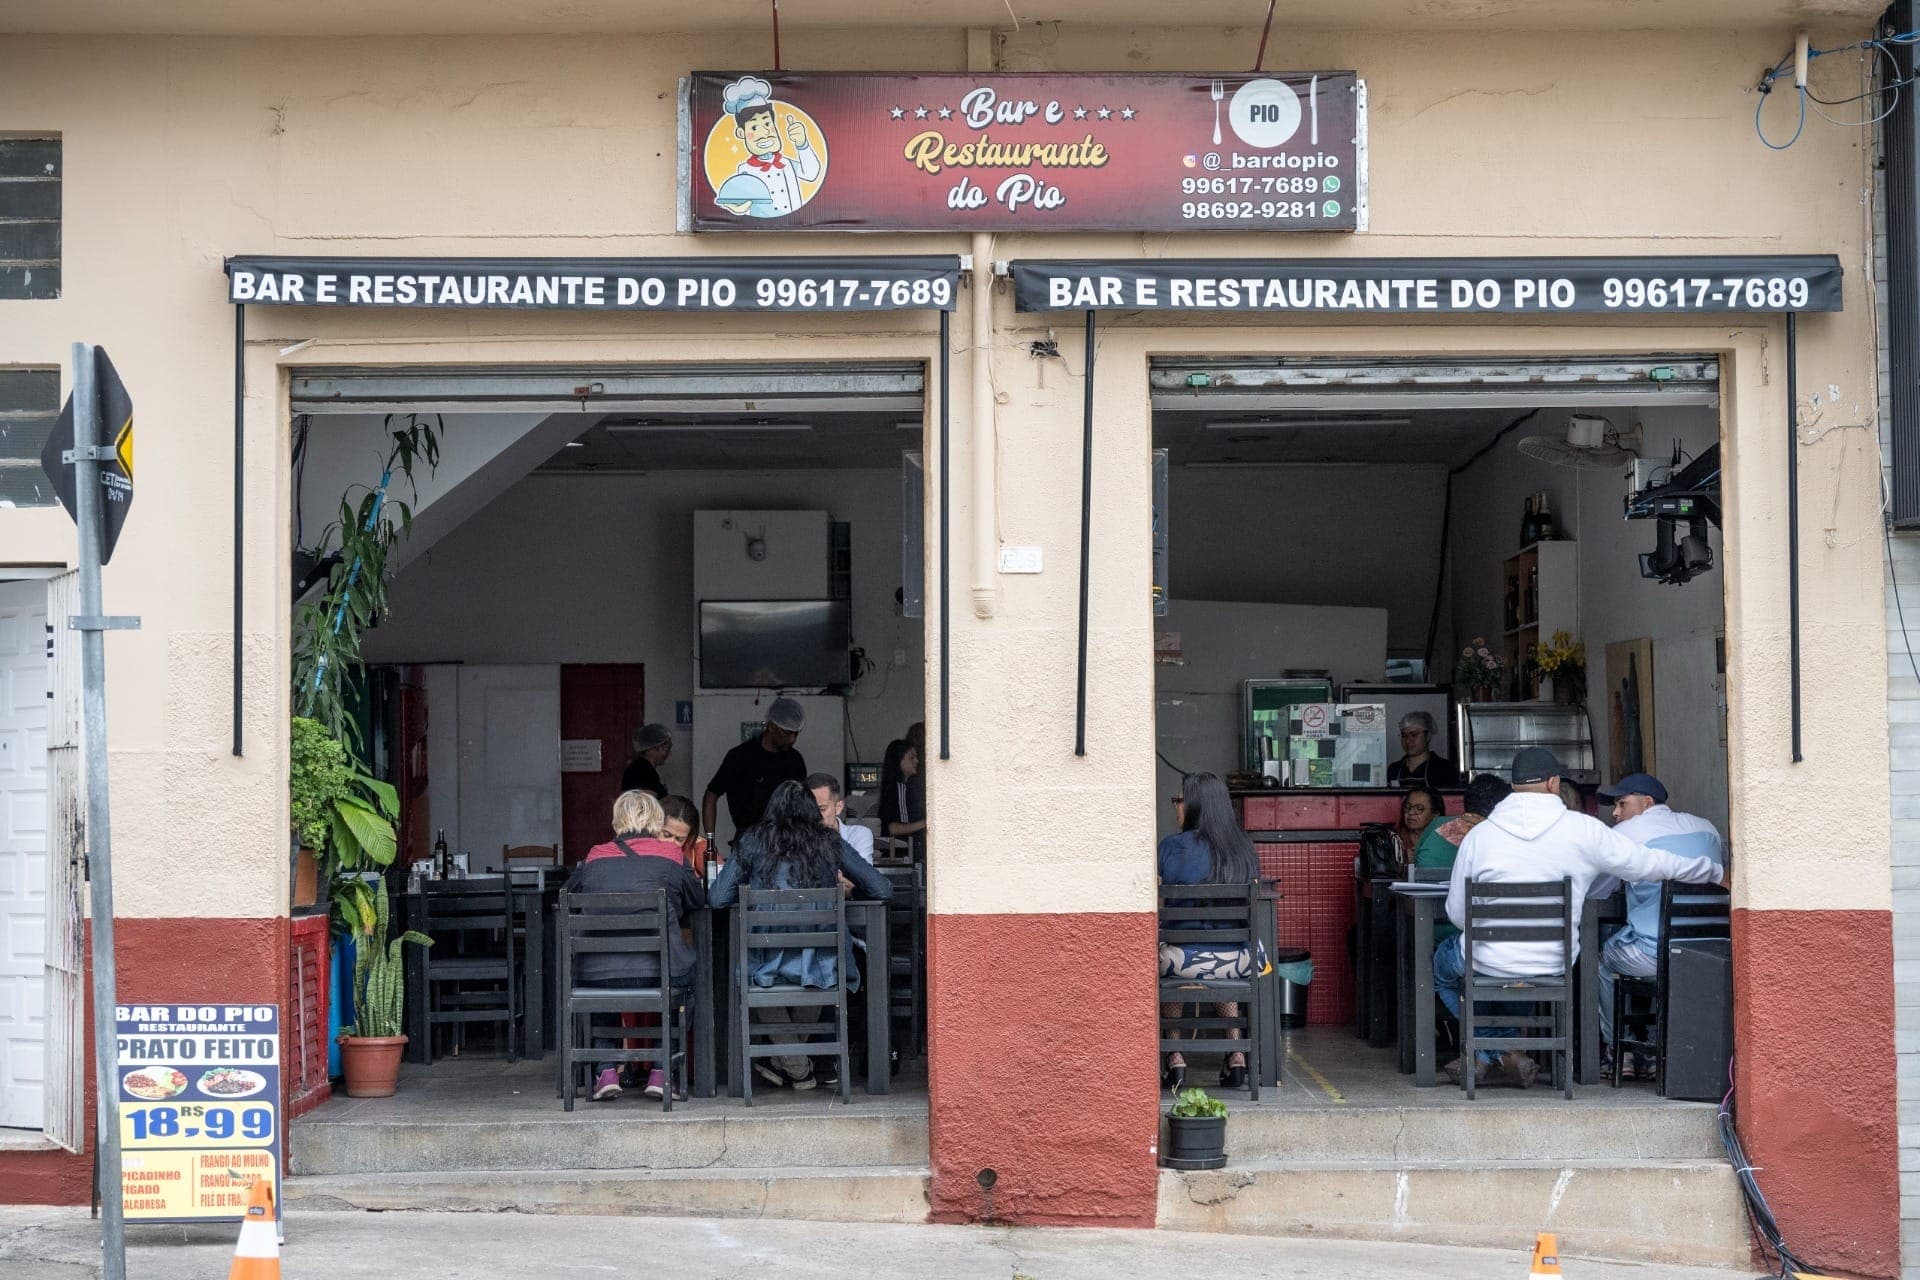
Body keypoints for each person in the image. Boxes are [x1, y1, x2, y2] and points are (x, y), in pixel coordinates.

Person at [1435, 748, 1723, 1089]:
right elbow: (1654, 863)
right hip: (1552, 962)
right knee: (1526, 973)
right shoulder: (1585, 831)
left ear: (1512, 787)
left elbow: (1456, 914)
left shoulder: (1480, 836)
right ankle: (1504, 1051)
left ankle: (1494, 1049)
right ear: (1554, 784)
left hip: (1486, 960)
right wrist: (1714, 870)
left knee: (1442, 968)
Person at [709, 780, 892, 1091]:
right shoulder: (829, 841)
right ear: (811, 809)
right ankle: (798, 1066)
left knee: (756, 975)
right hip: (820, 961)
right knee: (823, 970)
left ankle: (792, 1065)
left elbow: (717, 899)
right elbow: (882, 889)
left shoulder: (752, 840)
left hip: (764, 961)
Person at [563, 790, 707, 1102]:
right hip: (657, 973)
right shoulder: (670, 857)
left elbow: (566, 896)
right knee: (691, 980)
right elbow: (697, 899)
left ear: (616, 822)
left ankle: (605, 1072)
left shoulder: (593, 856)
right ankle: (662, 1071)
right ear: (657, 821)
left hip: (595, 975)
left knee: (605, 982)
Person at [1592, 773, 1725, 1075]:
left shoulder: (1626, 833)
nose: (1615, 813)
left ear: (1647, 803)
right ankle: (1656, 1050)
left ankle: (1619, 1052)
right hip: (1707, 952)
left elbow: (1598, 888)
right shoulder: (1707, 828)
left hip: (1653, 956)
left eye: (1621, 803)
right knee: (1654, 951)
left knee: (1600, 958)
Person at [1157, 771, 1261, 1093]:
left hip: (1181, 962)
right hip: (1238, 962)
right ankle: (1236, 1053)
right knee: (1222, 954)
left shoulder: (1172, 847)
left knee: (1167, 948)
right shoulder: (1244, 847)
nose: (1176, 807)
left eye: (1179, 800)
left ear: (1195, 806)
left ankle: (1175, 1056)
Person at [1414, 773, 1512, 948]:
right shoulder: (1498, 838)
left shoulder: (1435, 825)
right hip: (1483, 935)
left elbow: (1415, 867)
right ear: (1500, 808)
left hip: (1428, 928)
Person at [702, 697, 808, 849]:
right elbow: (711, 796)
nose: (792, 739)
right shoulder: (740, 757)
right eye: (787, 733)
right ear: (771, 726)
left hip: (785, 838)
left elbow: (803, 803)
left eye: (796, 734)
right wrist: (710, 843)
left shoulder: (794, 760)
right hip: (747, 838)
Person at [808, 772, 874, 864]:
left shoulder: (858, 835)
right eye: (809, 809)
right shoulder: (799, 838)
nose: (815, 815)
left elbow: (865, 877)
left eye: (822, 809)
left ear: (838, 808)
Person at [1387, 711, 1461, 787]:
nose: (1408, 740)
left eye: (1414, 735)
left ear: (1428, 736)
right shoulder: (1394, 769)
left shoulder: (1444, 769)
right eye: (1404, 735)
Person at [878, 738, 926, 851]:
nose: (916, 761)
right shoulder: (898, 788)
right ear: (899, 760)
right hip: (901, 853)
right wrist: (927, 822)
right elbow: (895, 828)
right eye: (911, 757)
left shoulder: (900, 787)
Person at [659, 794, 708, 878]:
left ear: (689, 838)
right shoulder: (640, 845)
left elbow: (722, 883)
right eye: (666, 835)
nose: (672, 843)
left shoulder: (699, 847)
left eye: (680, 839)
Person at [620, 724, 673, 799]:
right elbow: (649, 803)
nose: (669, 754)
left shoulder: (644, 769)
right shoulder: (642, 771)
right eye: (666, 749)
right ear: (652, 748)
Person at [1394, 785, 1444, 861]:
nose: (1410, 812)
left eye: (1419, 808)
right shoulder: (1395, 839)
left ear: (1435, 814)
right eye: (1407, 807)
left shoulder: (1443, 841)